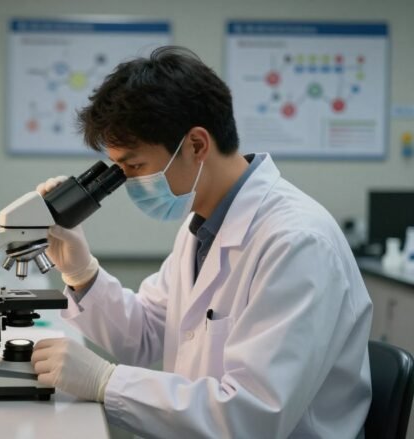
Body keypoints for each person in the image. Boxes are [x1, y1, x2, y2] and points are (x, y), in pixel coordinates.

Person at [30, 46, 372, 438]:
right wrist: (80, 271)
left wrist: (106, 382)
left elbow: (252, 415)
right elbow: (144, 335)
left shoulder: (297, 243)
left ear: (195, 145)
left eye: (135, 166)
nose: (128, 183)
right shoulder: (203, 226)